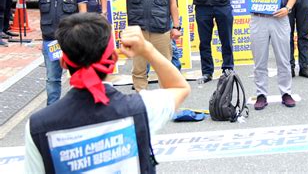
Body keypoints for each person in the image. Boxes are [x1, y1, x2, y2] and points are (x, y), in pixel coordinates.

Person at [24, 13, 191, 173]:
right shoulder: (141, 108)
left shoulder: (37, 126)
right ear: (113, 59)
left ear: (64, 63)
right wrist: (147, 49)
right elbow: (179, 88)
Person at [226, 0, 298, 110]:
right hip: (258, 19)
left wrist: (287, 8)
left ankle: (286, 92)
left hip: (279, 18)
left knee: (283, 59)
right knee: (260, 60)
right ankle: (261, 94)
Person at [17, 0, 87, 105]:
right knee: (52, 79)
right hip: (50, 40)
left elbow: (83, 12)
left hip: (72, 40)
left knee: (78, 76)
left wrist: (83, 37)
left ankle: (80, 108)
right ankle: (53, 110)